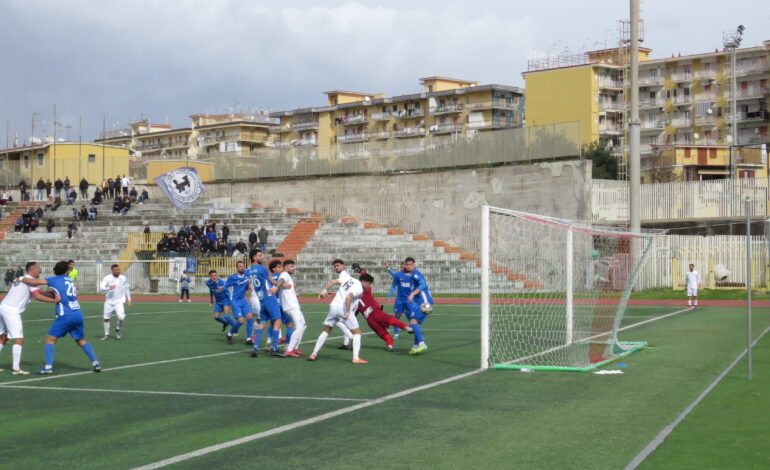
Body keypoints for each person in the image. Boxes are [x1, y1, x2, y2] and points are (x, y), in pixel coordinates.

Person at [22, 260, 101, 374]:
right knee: (81, 340)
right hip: (77, 313)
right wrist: (44, 292)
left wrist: (20, 279)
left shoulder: (53, 280)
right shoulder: (70, 280)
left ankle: (48, 367)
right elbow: (57, 292)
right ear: (67, 270)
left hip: (65, 315)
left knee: (50, 340)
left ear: (55, 270)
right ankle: (96, 363)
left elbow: (33, 282)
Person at [0, 262, 60, 375]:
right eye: (39, 268)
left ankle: (15, 368)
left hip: (3, 307)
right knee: (19, 339)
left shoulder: (26, 279)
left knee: (3, 337)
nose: (40, 270)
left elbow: (38, 292)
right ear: (32, 270)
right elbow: (37, 296)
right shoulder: (29, 280)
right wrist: (54, 300)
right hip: (11, 311)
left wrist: (49, 293)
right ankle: (16, 369)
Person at [308, 259, 367, 363]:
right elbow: (348, 298)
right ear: (365, 282)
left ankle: (314, 353)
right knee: (357, 332)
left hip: (333, 307)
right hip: (343, 308)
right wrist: (348, 312)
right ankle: (355, 358)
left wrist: (323, 292)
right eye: (369, 284)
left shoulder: (348, 279)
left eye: (337, 266)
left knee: (326, 331)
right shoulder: (359, 286)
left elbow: (331, 282)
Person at [357, 272, 409, 352]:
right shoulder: (366, 290)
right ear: (363, 282)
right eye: (369, 283)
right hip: (375, 313)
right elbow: (365, 277)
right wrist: (360, 271)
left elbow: (354, 311)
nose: (370, 285)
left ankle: (390, 345)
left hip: (369, 319)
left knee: (382, 333)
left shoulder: (353, 297)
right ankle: (407, 328)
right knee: (391, 321)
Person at [247, 253, 285, 357]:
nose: (262, 257)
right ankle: (274, 349)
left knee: (262, 323)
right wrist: (282, 282)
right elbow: (272, 281)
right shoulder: (262, 268)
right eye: (260, 256)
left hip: (261, 300)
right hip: (270, 299)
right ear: (254, 257)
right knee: (278, 321)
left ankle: (255, 347)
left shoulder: (249, 270)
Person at [403, 257, 433, 355]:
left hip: (426, 303)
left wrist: (412, 294)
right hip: (422, 303)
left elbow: (423, 284)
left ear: (414, 265)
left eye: (410, 264)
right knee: (416, 324)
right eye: (406, 264)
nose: (408, 266)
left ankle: (422, 343)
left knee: (413, 321)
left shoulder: (415, 274)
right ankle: (416, 345)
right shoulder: (412, 275)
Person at [224, 261, 257, 346]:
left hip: (243, 300)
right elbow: (225, 287)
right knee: (241, 321)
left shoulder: (247, 275)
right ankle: (229, 334)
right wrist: (228, 295)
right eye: (240, 266)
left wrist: (248, 286)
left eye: (243, 266)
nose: (242, 267)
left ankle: (249, 338)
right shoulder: (232, 277)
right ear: (237, 268)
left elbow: (248, 283)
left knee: (250, 317)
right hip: (235, 301)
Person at [280, 259, 306, 356]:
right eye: (291, 266)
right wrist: (281, 284)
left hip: (292, 306)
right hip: (291, 306)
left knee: (303, 325)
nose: (293, 268)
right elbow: (280, 281)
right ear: (286, 267)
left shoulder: (288, 276)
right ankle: (289, 349)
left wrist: (294, 293)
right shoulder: (284, 274)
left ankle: (295, 348)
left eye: (293, 266)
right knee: (299, 327)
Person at [99, 264, 131, 340]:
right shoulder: (107, 278)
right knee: (106, 318)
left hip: (119, 301)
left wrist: (129, 299)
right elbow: (101, 288)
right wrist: (108, 288)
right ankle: (106, 335)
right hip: (109, 301)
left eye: (118, 270)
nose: (118, 271)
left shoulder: (123, 278)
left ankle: (117, 329)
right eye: (116, 270)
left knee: (121, 317)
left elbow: (126, 288)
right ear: (112, 270)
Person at [385, 262, 411, 339]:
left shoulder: (412, 275)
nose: (403, 268)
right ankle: (396, 333)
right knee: (397, 316)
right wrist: (389, 296)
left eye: (404, 266)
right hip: (399, 300)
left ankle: (415, 329)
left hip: (409, 300)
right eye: (401, 267)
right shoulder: (398, 275)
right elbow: (393, 286)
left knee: (411, 316)